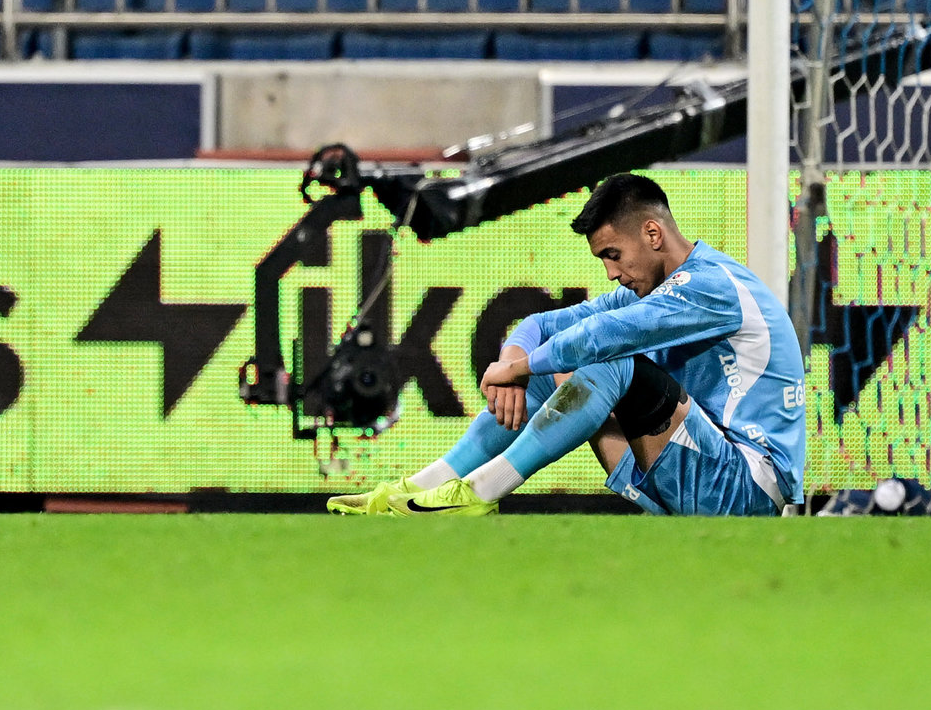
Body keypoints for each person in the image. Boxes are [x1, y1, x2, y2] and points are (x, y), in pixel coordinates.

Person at [328, 172, 806, 517]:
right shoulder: (652, 290)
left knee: (606, 359)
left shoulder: (712, 286)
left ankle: (478, 495)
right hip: (691, 471)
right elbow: (541, 323)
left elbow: (602, 337)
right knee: (557, 366)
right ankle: (416, 490)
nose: (612, 273)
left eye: (614, 255)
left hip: (749, 490)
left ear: (653, 234)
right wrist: (516, 360)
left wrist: (519, 369)